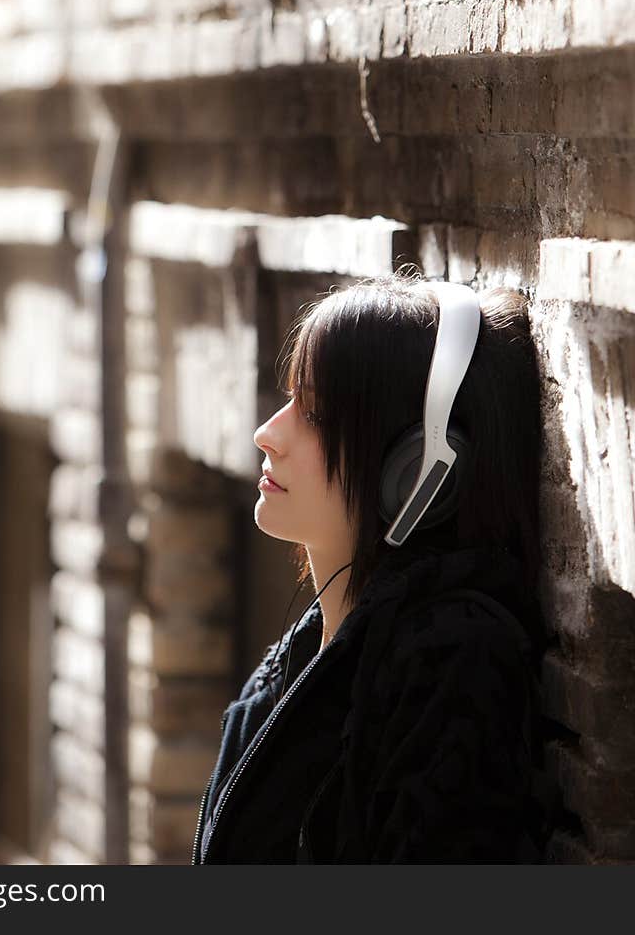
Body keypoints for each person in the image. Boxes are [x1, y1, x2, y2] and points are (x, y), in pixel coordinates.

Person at [190, 269, 554, 864]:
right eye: (289, 400)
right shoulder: (304, 654)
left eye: (317, 414)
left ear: (418, 470)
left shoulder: (453, 658)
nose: (267, 434)